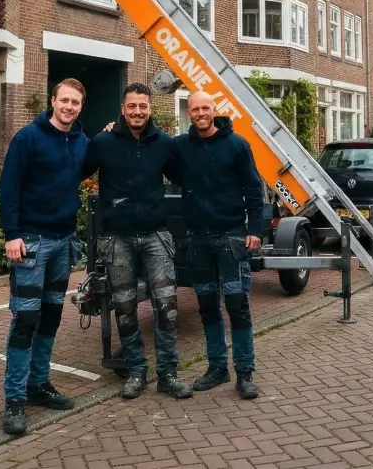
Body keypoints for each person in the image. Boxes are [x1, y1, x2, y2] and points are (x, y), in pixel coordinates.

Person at [82, 83, 193, 401]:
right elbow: (76, 169)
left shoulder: (164, 143)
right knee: (125, 307)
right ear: (122, 108)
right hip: (117, 238)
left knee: (167, 306)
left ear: (150, 108)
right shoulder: (103, 141)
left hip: (156, 235)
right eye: (132, 106)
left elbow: (187, 174)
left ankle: (168, 374)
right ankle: (135, 371)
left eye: (143, 106)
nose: (138, 112)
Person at [0, 78, 89, 436]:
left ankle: (39, 384)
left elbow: (94, 163)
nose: (69, 107)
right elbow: (9, 188)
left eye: (75, 103)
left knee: (50, 316)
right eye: (64, 100)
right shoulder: (28, 138)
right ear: (53, 101)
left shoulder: (82, 142)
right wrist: (11, 234)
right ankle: (15, 400)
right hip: (32, 241)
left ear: (81, 107)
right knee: (25, 319)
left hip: (65, 242)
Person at [173, 90, 264, 400]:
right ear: (189, 112)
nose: (200, 113)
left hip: (231, 236)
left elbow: (254, 189)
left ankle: (245, 372)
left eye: (205, 108)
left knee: (237, 306)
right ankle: (216, 367)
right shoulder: (181, 147)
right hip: (198, 239)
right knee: (207, 306)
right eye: (194, 108)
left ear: (214, 110)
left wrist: (256, 229)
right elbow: (150, 146)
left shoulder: (237, 145)